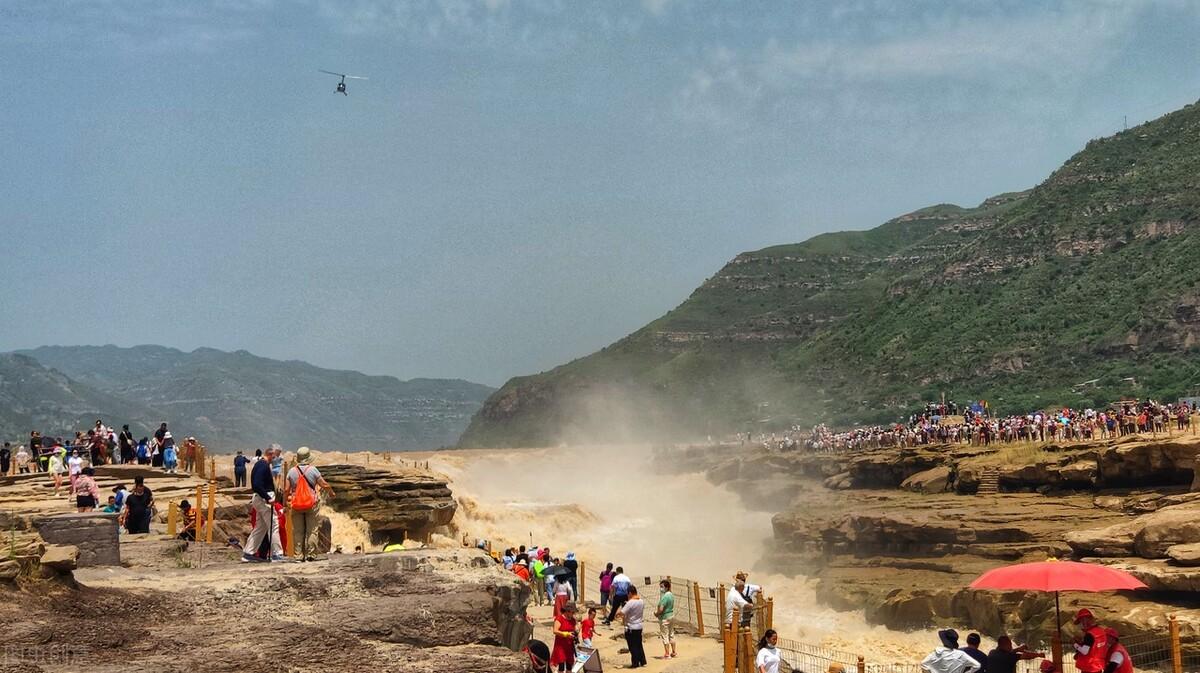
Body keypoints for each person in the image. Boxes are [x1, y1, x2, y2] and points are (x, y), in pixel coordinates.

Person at [285, 446, 335, 562]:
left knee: (297, 531)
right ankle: (311, 554)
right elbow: (324, 484)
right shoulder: (313, 470)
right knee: (312, 530)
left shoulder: (291, 471)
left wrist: (284, 503)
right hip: (311, 504)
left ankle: (298, 556)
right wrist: (331, 493)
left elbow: (286, 489)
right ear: (308, 458)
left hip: (296, 504)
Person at [242, 447, 283, 562]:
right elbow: (257, 484)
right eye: (274, 457)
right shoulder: (263, 466)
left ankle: (248, 552)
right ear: (270, 455)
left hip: (259, 499)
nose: (274, 460)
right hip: (263, 500)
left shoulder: (259, 465)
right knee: (274, 524)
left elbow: (256, 484)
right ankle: (277, 554)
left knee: (260, 527)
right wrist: (267, 497)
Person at [1072, 609, 1109, 673]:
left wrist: (1075, 645)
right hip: (1098, 666)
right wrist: (1082, 643)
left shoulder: (1089, 635)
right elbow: (1095, 647)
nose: (1082, 624)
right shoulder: (1101, 631)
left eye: (1082, 621)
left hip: (1089, 667)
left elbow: (1085, 651)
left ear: (1086, 620)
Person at [619, 585, 647, 669]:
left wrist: (618, 611)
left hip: (631, 627)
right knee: (639, 644)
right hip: (639, 626)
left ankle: (635, 663)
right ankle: (642, 661)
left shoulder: (630, 603)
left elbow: (621, 613)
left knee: (632, 646)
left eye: (628, 594)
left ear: (630, 593)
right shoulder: (641, 601)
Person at [550, 602, 578, 672]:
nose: (573, 614)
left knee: (569, 666)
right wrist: (566, 634)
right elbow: (555, 631)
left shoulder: (573, 620)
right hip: (560, 646)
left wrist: (576, 632)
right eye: (572, 612)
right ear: (567, 611)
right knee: (561, 666)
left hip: (569, 646)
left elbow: (574, 630)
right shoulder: (559, 618)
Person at [656, 578, 677, 659]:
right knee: (671, 634)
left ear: (667, 587)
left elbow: (661, 609)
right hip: (671, 616)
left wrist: (656, 614)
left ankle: (667, 654)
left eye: (662, 586)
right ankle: (674, 652)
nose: (661, 588)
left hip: (664, 618)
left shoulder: (665, 597)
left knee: (665, 636)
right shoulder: (671, 595)